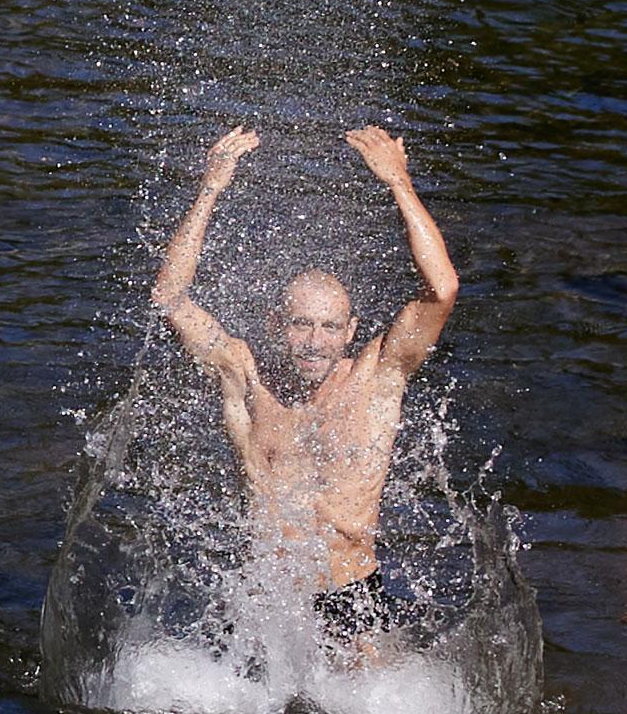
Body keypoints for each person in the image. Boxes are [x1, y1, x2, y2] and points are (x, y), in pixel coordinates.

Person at [149, 124, 459, 641]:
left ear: (351, 331)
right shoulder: (245, 375)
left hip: (351, 597)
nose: (315, 341)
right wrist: (210, 189)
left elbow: (442, 290)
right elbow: (170, 299)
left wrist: (399, 183)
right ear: (276, 325)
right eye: (301, 324)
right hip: (267, 603)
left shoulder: (377, 377)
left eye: (330, 327)